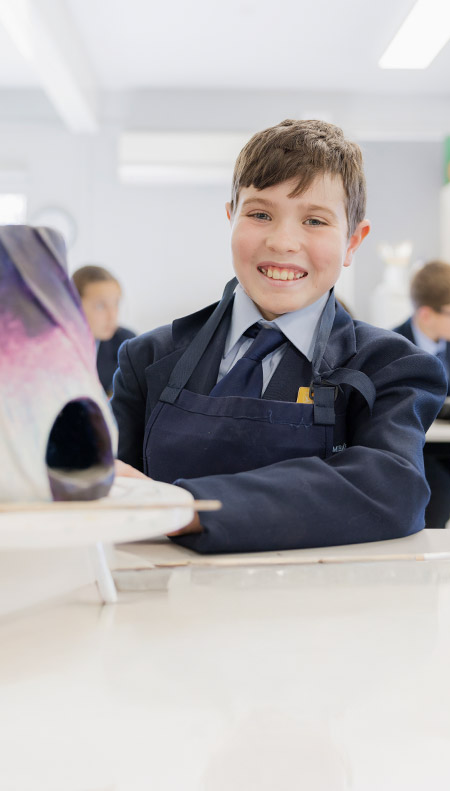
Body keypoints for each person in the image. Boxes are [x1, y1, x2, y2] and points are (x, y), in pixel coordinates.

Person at [111, 119, 446, 554]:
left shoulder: (391, 366)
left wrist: (186, 506)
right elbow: (106, 491)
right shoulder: (147, 359)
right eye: (260, 214)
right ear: (231, 218)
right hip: (163, 602)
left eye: (314, 220)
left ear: (353, 242)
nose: (283, 241)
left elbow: (391, 488)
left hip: (321, 610)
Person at [393, 260, 450, 528]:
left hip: (444, 443)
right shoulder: (391, 348)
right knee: (438, 489)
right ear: (426, 314)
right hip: (414, 450)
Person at [72, 265, 136, 396]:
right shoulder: (55, 346)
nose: (112, 316)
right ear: (73, 305)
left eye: (116, 304)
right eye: (100, 306)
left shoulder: (126, 343)